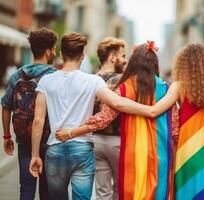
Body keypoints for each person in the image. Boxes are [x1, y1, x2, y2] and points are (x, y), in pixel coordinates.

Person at [56, 43, 204, 200]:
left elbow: (157, 112)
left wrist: (124, 104)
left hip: (185, 148)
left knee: (183, 192)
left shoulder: (177, 87)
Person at [28, 33, 160, 200]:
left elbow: (38, 120)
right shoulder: (92, 81)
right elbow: (118, 103)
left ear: (61, 54)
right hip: (82, 149)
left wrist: (34, 155)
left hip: (55, 149)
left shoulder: (46, 81)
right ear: (82, 56)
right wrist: (150, 110)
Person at [56, 41, 177, 200]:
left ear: (134, 62)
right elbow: (175, 126)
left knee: (130, 193)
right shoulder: (166, 88)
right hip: (160, 151)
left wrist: (71, 132)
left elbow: (103, 119)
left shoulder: (124, 87)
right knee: (157, 193)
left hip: (132, 151)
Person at [1, 28, 57, 200]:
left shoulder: (18, 75)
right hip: (48, 140)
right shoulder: (55, 76)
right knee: (47, 190)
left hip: (24, 138)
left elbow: (6, 106)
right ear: (48, 52)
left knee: (26, 187)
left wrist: (7, 136)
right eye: (54, 49)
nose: (54, 52)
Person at [93, 37, 127, 200]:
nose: (125, 60)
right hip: (117, 141)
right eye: (123, 56)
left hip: (95, 140)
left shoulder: (91, 79)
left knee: (102, 192)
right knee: (120, 189)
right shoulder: (121, 80)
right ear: (112, 57)